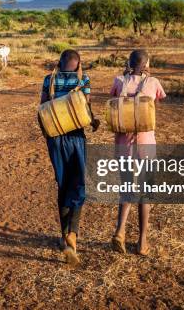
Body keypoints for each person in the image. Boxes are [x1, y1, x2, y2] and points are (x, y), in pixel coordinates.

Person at [39, 49, 99, 267]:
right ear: (78, 63)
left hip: (55, 140)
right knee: (78, 185)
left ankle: (64, 234)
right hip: (75, 139)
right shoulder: (83, 80)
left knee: (63, 184)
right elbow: (86, 108)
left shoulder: (49, 79)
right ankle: (72, 235)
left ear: (60, 62)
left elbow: (42, 109)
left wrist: (48, 137)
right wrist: (94, 122)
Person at [109, 49, 166, 256]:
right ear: (147, 63)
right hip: (146, 143)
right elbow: (154, 106)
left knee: (126, 187)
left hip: (123, 144)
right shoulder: (153, 83)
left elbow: (114, 101)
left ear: (129, 62)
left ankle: (120, 231)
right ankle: (142, 242)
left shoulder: (118, 80)